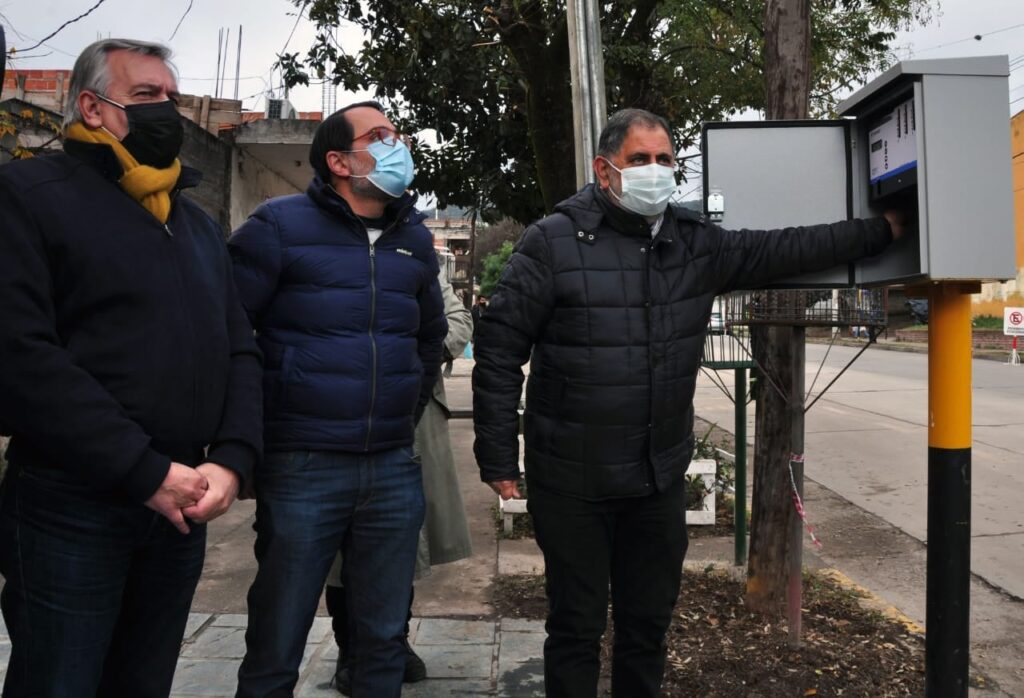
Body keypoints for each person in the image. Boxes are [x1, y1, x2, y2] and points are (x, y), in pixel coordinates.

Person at [472, 108, 905, 698]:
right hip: (573, 481)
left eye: (665, 159)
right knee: (575, 627)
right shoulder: (551, 243)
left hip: (657, 478)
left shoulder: (694, 244)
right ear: (605, 172)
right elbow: (498, 353)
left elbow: (788, 248)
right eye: (640, 160)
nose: (656, 171)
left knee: (647, 628)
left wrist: (882, 230)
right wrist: (498, 456)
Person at [0, 39, 262, 697]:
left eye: (171, 97)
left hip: (180, 509)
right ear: (92, 107)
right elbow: (20, 356)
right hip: (70, 506)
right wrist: (141, 470)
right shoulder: (28, 195)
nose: (166, 111)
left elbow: (239, 347)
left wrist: (231, 458)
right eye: (147, 96)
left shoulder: (195, 225)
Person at [231, 101, 447, 698]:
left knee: (381, 639)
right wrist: (246, 438)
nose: (395, 144)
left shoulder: (414, 241)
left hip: (391, 467)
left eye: (396, 133)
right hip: (302, 466)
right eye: (378, 136)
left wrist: (405, 407)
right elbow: (227, 332)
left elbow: (429, 337)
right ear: (338, 160)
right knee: (278, 635)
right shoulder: (278, 226)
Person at [325, 261, 474, 695]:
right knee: (341, 549)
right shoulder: (318, 248)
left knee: (402, 541)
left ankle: (394, 640)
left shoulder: (416, 255)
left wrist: (402, 353)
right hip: (338, 411)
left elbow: (458, 322)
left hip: (413, 413)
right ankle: (349, 648)